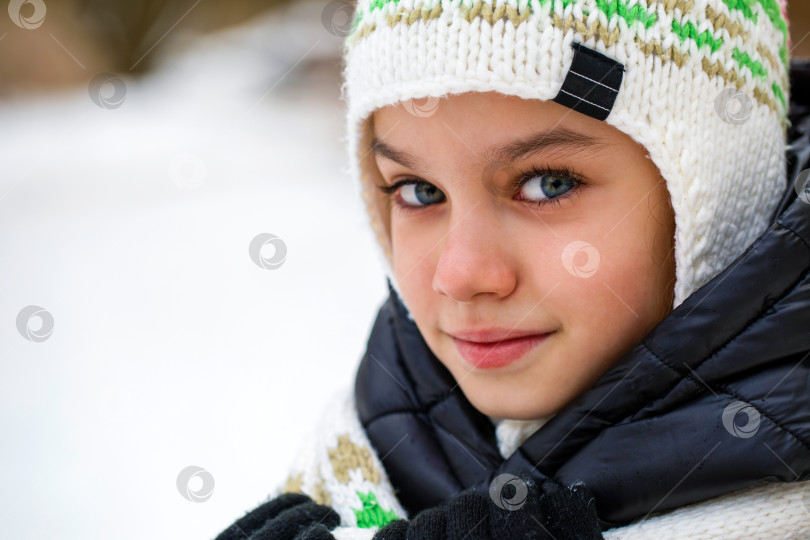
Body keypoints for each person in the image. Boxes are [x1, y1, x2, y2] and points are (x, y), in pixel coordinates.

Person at [215, 0, 810, 538]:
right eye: (419, 191)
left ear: (724, 193)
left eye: (548, 184)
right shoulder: (355, 461)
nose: (462, 274)